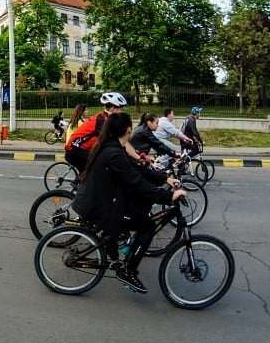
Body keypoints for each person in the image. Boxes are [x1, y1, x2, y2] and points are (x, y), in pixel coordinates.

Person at [72, 112, 187, 294]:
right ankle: (128, 271)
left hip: (103, 199)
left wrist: (165, 178)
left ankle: (113, 238)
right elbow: (135, 180)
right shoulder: (114, 152)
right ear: (128, 130)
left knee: (140, 205)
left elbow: (137, 169)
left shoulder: (112, 147)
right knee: (147, 225)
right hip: (99, 206)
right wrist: (167, 197)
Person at [64, 92, 128, 173]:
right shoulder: (102, 121)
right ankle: (81, 182)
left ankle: (82, 181)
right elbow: (117, 141)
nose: (122, 112)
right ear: (112, 108)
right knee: (98, 169)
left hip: (84, 149)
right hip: (75, 151)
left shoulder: (108, 120)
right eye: (121, 109)